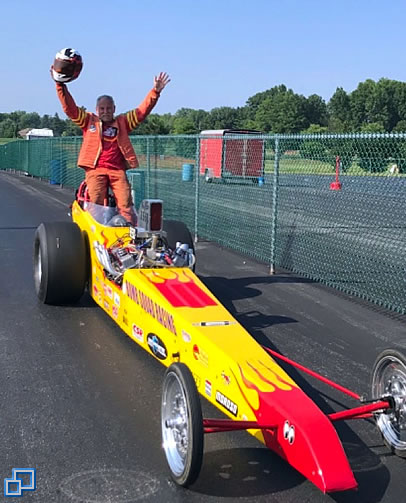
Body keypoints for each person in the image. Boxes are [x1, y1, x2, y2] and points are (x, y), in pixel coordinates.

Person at [52, 71, 170, 225]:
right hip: (95, 169)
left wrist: (155, 91)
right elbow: (70, 108)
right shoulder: (88, 121)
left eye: (108, 108)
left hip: (117, 170)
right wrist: (60, 85)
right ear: (96, 110)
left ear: (114, 108)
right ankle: (96, 229)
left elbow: (141, 112)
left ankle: (127, 231)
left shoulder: (123, 122)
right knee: (96, 201)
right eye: (102, 109)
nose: (105, 112)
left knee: (126, 201)